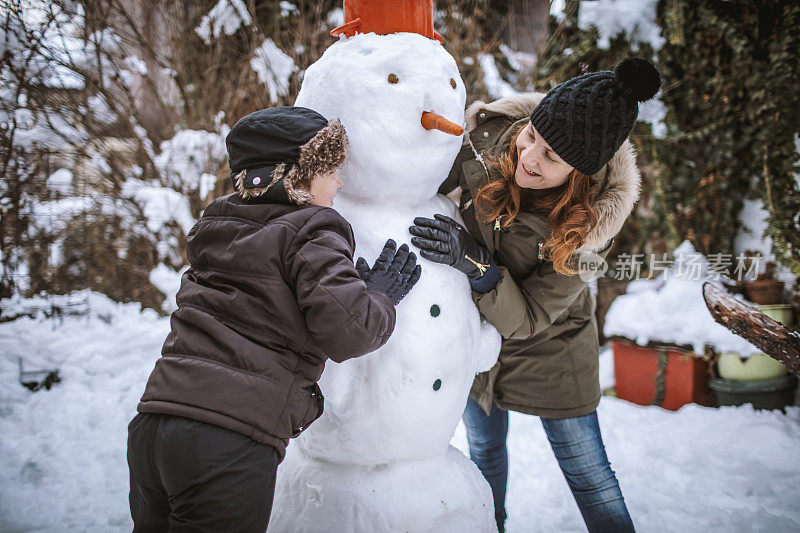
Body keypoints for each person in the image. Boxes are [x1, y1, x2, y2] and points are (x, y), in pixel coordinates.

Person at [127, 106, 421, 532]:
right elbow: (351, 331)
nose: (339, 181)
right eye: (330, 169)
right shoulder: (312, 228)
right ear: (296, 176)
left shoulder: (217, 223)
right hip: (226, 440)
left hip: (154, 427)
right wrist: (379, 296)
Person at [410, 58, 661, 532]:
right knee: (484, 455)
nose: (529, 157)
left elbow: (530, 317)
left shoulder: (589, 228)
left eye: (552, 158)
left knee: (590, 476)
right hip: (477, 340)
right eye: (532, 138)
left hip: (552, 350)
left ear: (581, 176)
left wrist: (475, 264)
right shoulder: (488, 141)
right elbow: (424, 185)